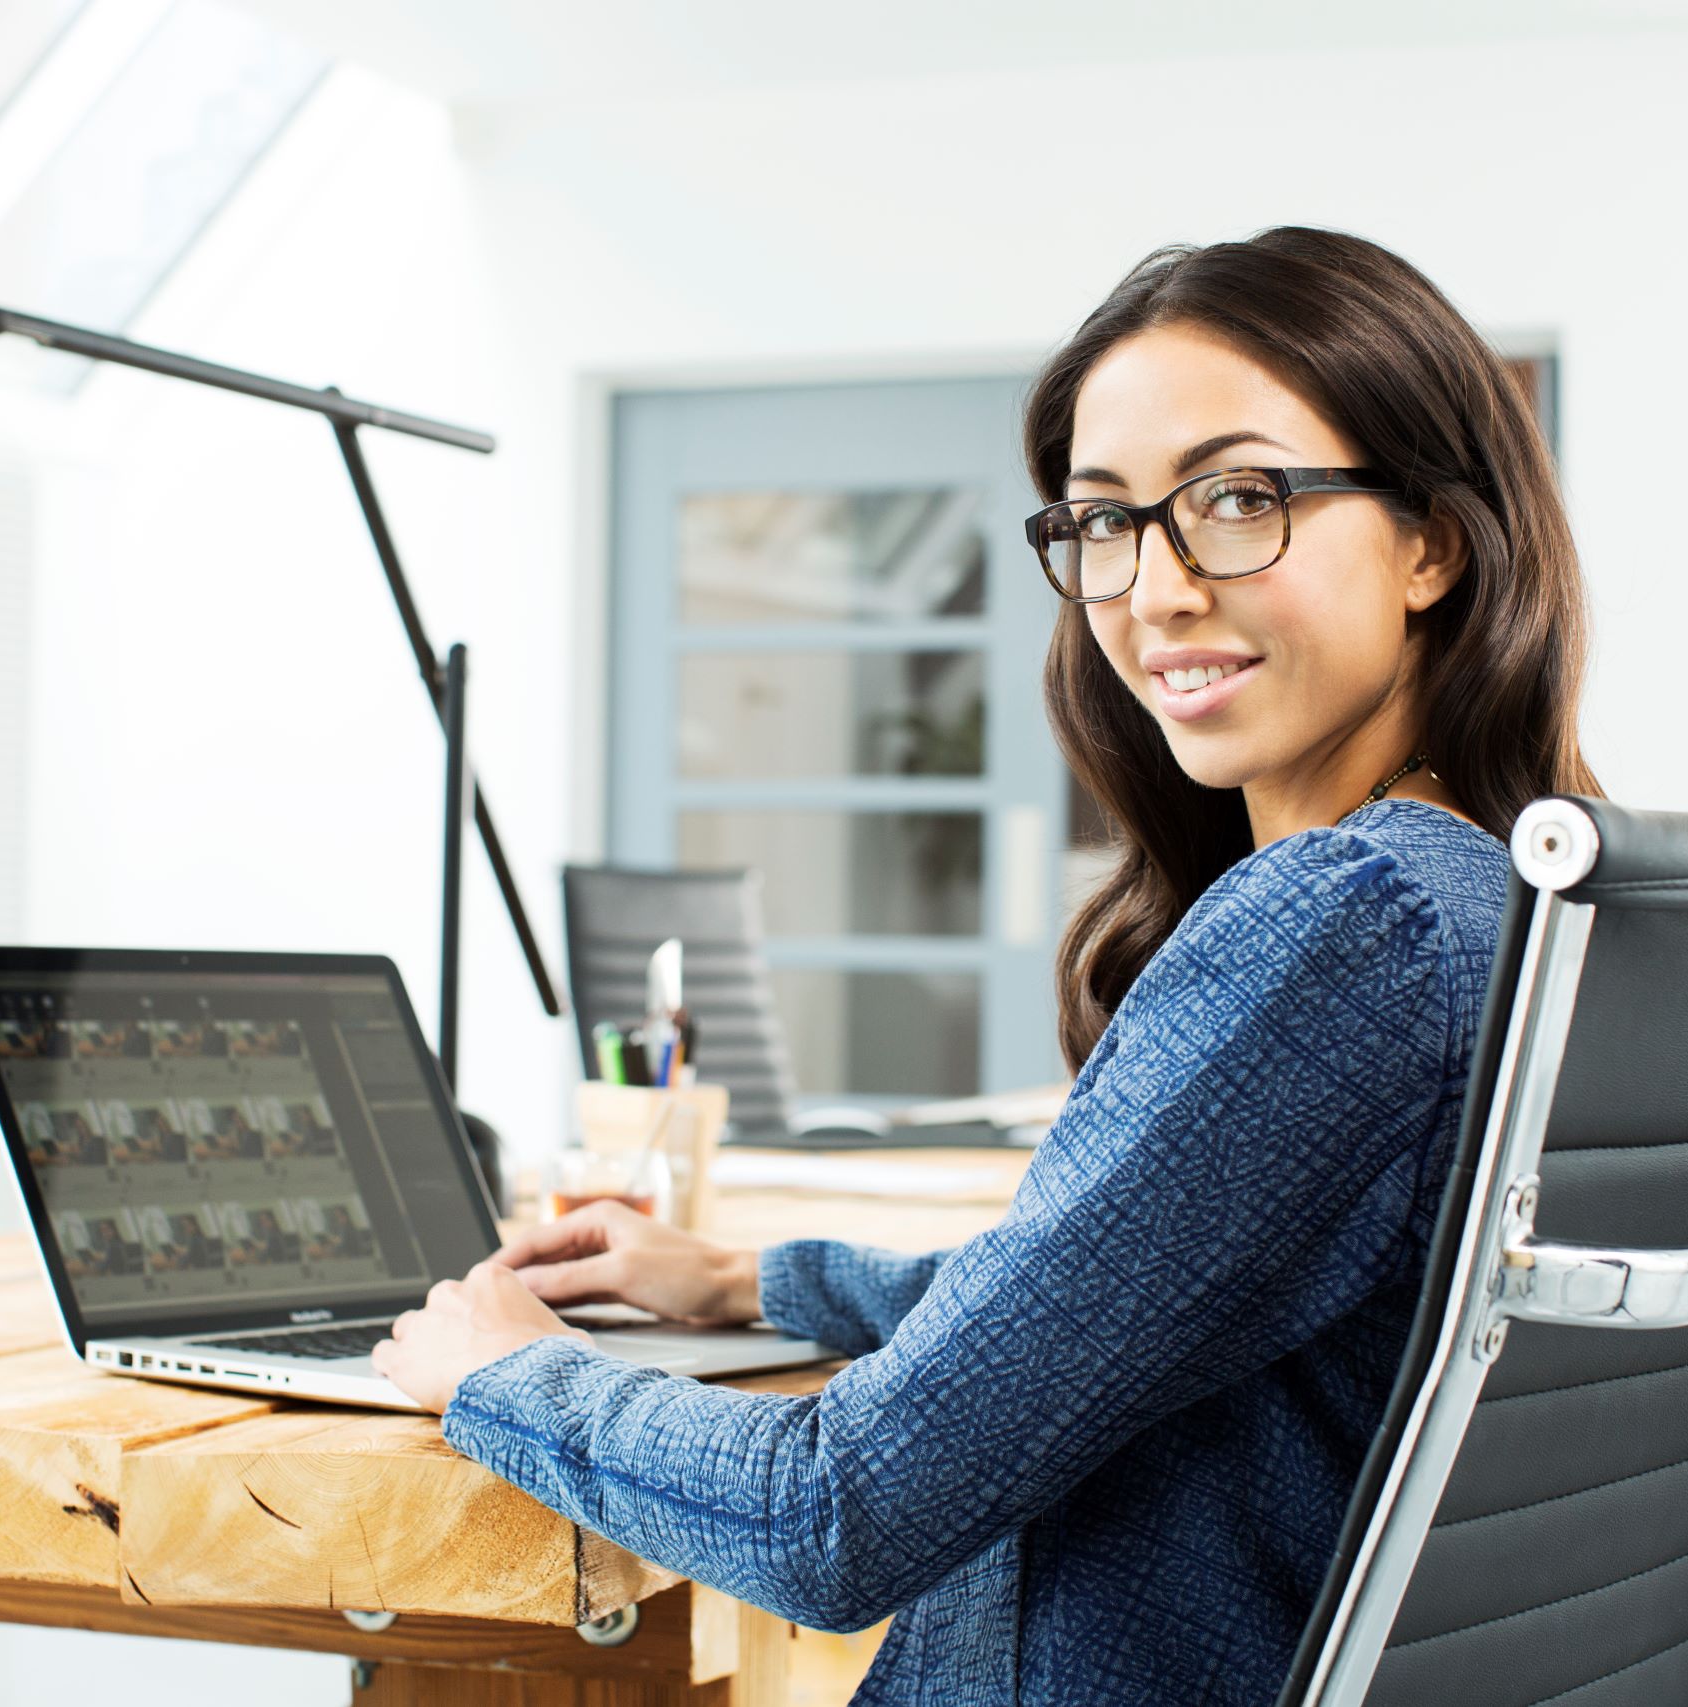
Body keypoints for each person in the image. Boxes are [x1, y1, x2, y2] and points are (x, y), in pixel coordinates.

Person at [373, 226, 1601, 1703]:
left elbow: (836, 1510)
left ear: (1432, 543)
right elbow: (1114, 1290)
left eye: (1236, 500)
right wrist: (752, 1279)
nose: (1154, 590)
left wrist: (506, 1368)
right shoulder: (1519, 901)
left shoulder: (1350, 927)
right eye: (1103, 523)